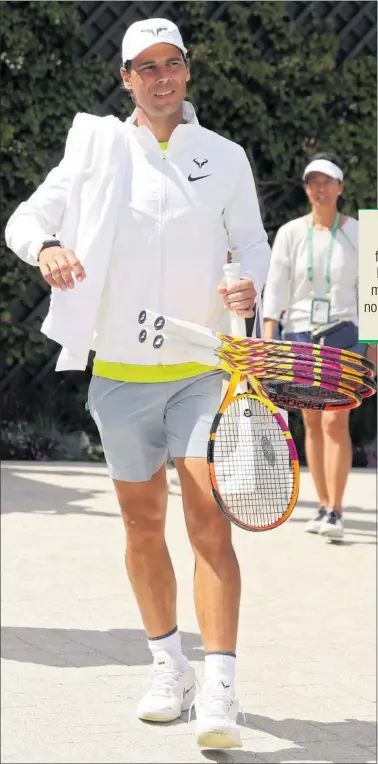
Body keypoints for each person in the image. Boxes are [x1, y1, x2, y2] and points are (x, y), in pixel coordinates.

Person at [5, 18, 271, 748]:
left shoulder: (224, 156)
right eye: (144, 66)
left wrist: (252, 283)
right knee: (142, 524)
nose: (161, 76)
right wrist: (49, 246)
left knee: (207, 518)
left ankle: (220, 686)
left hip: (203, 370)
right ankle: (168, 666)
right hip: (119, 376)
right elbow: (25, 218)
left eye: (172, 63)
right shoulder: (97, 149)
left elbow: (250, 238)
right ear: (126, 78)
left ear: (187, 71)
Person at [263, 152, 376, 541]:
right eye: (313, 182)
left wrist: (373, 349)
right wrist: (268, 342)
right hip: (297, 332)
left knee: (335, 418)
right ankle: (323, 504)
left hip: (344, 331)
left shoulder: (365, 231)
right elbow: (274, 290)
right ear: (307, 189)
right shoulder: (290, 232)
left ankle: (337, 510)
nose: (320, 189)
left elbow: (373, 293)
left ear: (341, 187)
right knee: (311, 419)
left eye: (327, 182)